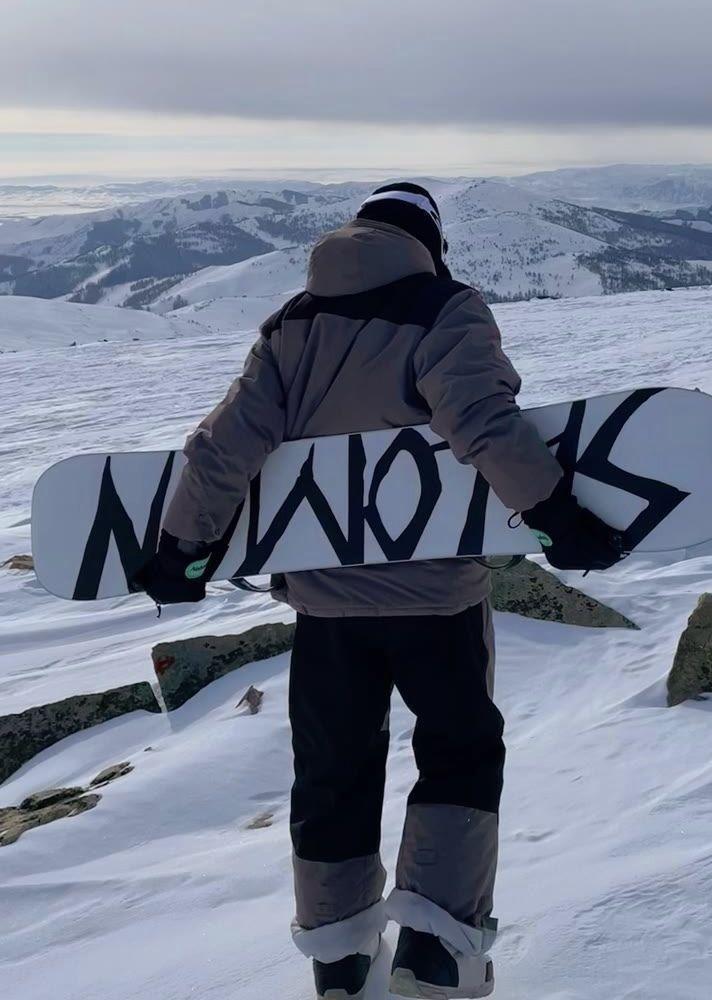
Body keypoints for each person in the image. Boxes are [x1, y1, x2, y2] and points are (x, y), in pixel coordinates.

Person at [134, 183, 625, 999]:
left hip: (328, 608)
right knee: (460, 756)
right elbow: (483, 424)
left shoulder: (293, 324)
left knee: (333, 771)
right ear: (428, 240)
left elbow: (224, 448)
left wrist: (183, 548)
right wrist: (555, 513)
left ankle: (337, 961)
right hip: (437, 600)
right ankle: (436, 957)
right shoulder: (445, 307)